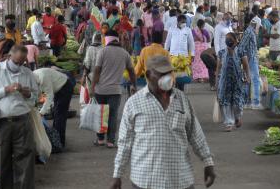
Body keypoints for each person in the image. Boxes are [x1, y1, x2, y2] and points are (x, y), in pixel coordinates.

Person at [111, 55, 216, 189]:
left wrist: (208, 162)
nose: (168, 77)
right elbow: (125, 142)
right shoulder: (133, 103)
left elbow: (195, 134)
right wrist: (117, 175)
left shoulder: (182, 99)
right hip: (145, 181)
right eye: (162, 73)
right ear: (149, 75)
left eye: (169, 73)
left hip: (180, 179)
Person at [0, 45, 38, 189]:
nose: (19, 65)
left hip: (23, 120)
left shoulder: (27, 73)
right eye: (17, 62)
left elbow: (35, 98)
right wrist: (6, 89)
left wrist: (27, 94)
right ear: (9, 57)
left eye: (22, 63)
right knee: (1, 160)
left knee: (25, 159)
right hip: (1, 122)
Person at [91, 30, 136, 148]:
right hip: (115, 91)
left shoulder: (102, 52)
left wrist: (92, 87)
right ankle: (111, 141)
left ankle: (100, 139)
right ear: (117, 39)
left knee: (101, 114)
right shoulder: (124, 53)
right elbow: (132, 71)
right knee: (112, 115)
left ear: (107, 40)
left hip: (100, 90)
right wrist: (133, 85)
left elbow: (97, 70)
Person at [216, 33, 251, 132]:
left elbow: (246, 66)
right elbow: (218, 69)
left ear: (236, 40)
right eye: (227, 39)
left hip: (237, 81)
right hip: (225, 81)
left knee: (237, 102)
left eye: (230, 39)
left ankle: (237, 116)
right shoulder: (221, 53)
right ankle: (228, 123)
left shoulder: (241, 51)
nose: (228, 41)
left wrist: (248, 77)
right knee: (226, 102)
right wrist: (216, 82)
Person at [33, 67, 73, 147]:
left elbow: (49, 96)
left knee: (59, 116)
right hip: (58, 89)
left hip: (65, 87)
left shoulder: (43, 77)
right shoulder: (34, 76)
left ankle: (59, 143)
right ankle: (56, 140)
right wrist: (34, 105)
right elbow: (37, 93)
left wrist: (41, 112)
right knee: (56, 114)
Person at [238, 17, 262, 109]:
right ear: (256, 25)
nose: (259, 29)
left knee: (248, 80)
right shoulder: (249, 32)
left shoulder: (250, 31)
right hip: (250, 59)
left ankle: (246, 102)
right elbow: (241, 47)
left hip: (250, 58)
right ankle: (255, 103)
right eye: (259, 26)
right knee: (255, 80)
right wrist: (244, 59)